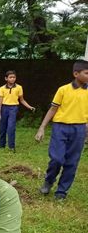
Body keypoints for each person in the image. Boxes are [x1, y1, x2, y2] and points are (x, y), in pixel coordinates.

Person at [35, 59, 88, 200]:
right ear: (76, 74)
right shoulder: (63, 90)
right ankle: (48, 181)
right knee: (57, 159)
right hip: (60, 128)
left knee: (72, 162)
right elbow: (53, 109)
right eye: (86, 73)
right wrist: (42, 128)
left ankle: (61, 192)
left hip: (80, 129)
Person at [0, 70, 35, 151]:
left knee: (11, 128)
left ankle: (11, 147)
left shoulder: (19, 87)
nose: (12, 79)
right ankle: (1, 146)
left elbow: (22, 100)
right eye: (10, 77)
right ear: (6, 78)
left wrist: (30, 107)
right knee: (2, 128)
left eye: (14, 77)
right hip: (4, 108)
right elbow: (0, 102)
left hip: (13, 108)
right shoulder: (2, 88)